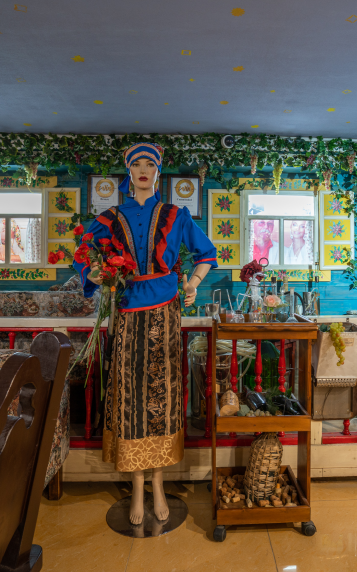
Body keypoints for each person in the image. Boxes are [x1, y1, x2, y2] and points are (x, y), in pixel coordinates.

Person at [73, 143, 217, 525]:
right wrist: (97, 275)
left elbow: (206, 253)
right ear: (128, 171)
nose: (142, 170)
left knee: (163, 395)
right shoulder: (110, 218)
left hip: (165, 311)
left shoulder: (176, 215)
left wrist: (193, 284)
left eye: (149, 164)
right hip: (126, 312)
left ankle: (158, 482)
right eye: (136, 163)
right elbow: (83, 254)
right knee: (129, 396)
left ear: (157, 171)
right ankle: (137, 485)